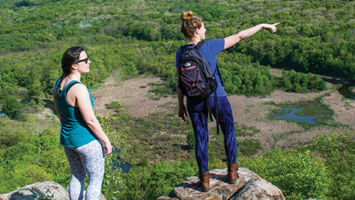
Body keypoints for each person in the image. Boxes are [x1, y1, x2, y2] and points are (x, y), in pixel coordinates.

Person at [176, 11, 279, 192]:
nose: (206, 29)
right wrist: (263, 25)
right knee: (229, 130)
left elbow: (179, 82)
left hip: (193, 101)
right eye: (204, 27)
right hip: (217, 97)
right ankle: (232, 173)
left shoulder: (181, 52)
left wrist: (180, 106)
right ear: (198, 30)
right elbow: (240, 36)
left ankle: (205, 180)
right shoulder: (210, 45)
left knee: (201, 138)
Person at [53, 46, 112, 200]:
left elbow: (59, 112)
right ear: (74, 65)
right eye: (85, 60)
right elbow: (91, 121)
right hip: (87, 141)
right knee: (95, 179)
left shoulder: (59, 84)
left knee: (77, 175)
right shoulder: (79, 89)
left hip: (68, 140)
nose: (89, 62)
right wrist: (106, 140)